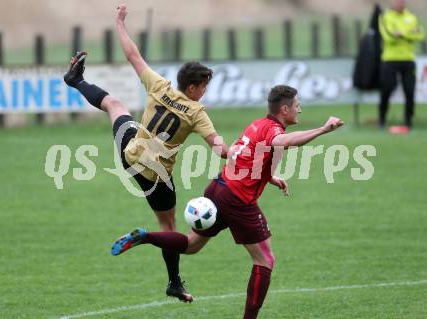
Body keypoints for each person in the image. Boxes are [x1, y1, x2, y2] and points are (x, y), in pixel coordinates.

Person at [111, 85, 343, 318]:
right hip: (238, 200)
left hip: (218, 187)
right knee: (265, 260)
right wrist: (323, 129)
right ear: (285, 109)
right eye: (296, 105)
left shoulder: (256, 124)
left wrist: (269, 176)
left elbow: (245, 155)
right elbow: (285, 141)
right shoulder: (273, 129)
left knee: (191, 245)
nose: (299, 110)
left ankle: (145, 236)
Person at [63, 4, 229, 303]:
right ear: (193, 88)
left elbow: (132, 56)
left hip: (130, 154)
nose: (205, 91)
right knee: (168, 226)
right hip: (155, 175)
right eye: (204, 86)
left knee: (114, 105)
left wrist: (120, 23)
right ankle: (174, 283)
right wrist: (244, 150)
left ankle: (76, 82)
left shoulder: (160, 85)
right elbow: (220, 150)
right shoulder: (197, 113)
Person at [378, 0, 425, 129]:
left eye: (402, 1)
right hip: (390, 59)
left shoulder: (412, 17)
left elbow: (420, 35)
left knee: (409, 91)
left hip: (408, 59)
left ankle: (408, 122)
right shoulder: (385, 17)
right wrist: (409, 33)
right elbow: (389, 38)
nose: (400, 3)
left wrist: (401, 33)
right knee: (387, 89)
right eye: (398, 1)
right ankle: (382, 119)